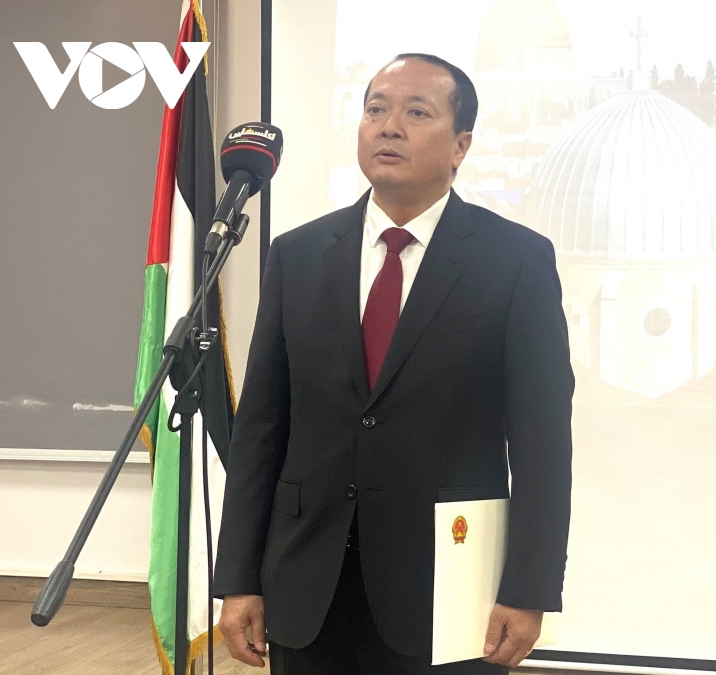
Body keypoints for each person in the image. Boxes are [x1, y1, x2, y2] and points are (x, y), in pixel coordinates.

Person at [212, 53, 574, 675]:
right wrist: (239, 578)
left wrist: (529, 588)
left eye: (417, 113)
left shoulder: (514, 260)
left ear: (461, 146)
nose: (389, 126)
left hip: (446, 586)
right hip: (306, 581)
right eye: (375, 109)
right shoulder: (297, 255)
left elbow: (542, 442)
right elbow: (262, 430)